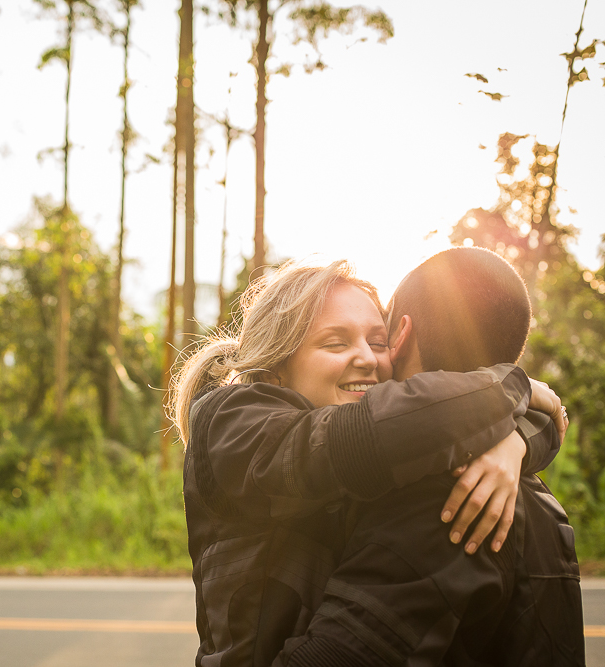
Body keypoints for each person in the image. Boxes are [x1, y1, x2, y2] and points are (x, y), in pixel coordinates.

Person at [173, 259, 560, 666]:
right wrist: (510, 387)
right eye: (336, 343)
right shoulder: (234, 422)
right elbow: (369, 436)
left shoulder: (387, 442)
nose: (368, 359)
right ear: (275, 371)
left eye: (378, 342)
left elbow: (412, 422)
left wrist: (515, 440)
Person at [274, 247, 583, 666]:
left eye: (378, 337)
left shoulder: (443, 493)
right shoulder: (532, 490)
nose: (368, 358)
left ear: (400, 335)